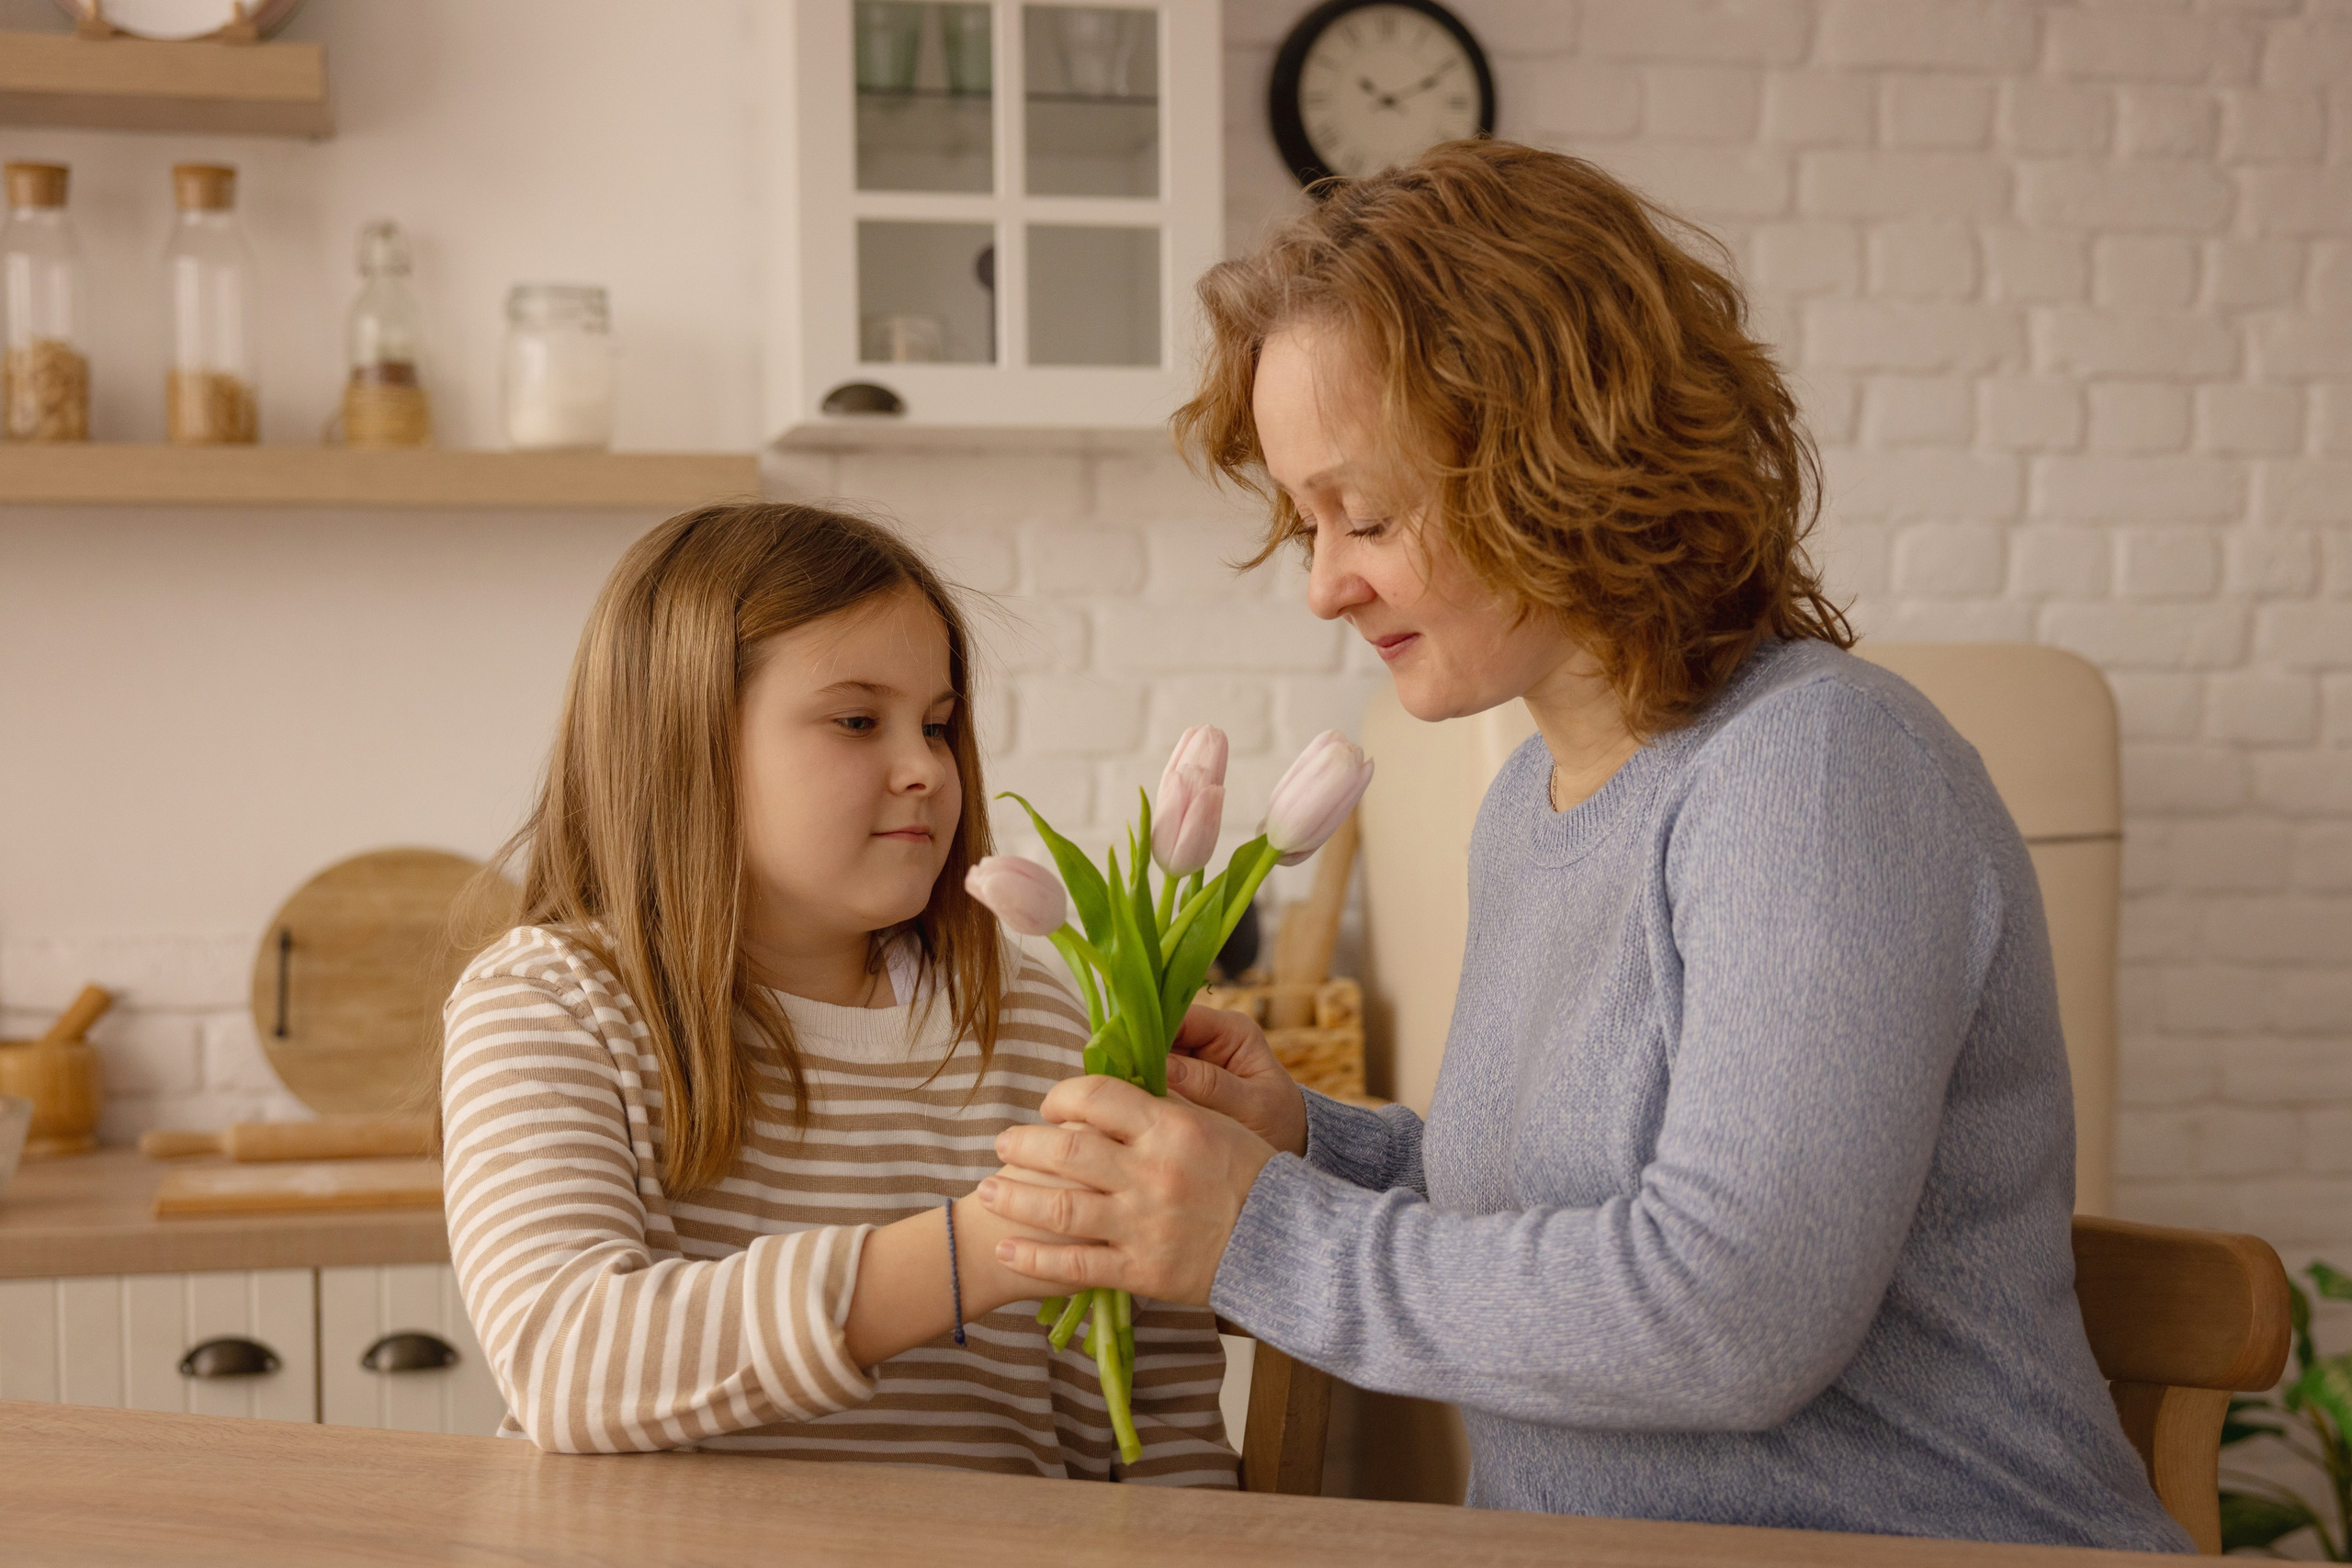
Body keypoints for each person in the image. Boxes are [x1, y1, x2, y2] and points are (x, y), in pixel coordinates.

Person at [978, 141, 2189, 1550]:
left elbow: (1729, 1312)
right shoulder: (1530, 803)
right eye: (1304, 522)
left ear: (1557, 452)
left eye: (1362, 513)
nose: (1321, 583)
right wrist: (1310, 1143)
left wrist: (1258, 1234)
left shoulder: (1817, 772)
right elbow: (1569, 1210)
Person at [439, 502, 1233, 1483]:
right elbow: (568, 1360)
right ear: (684, 742)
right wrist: (975, 1250)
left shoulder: (1040, 1025)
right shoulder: (550, 1008)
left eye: (937, 726)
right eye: (858, 720)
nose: (925, 771)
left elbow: (1160, 1430)